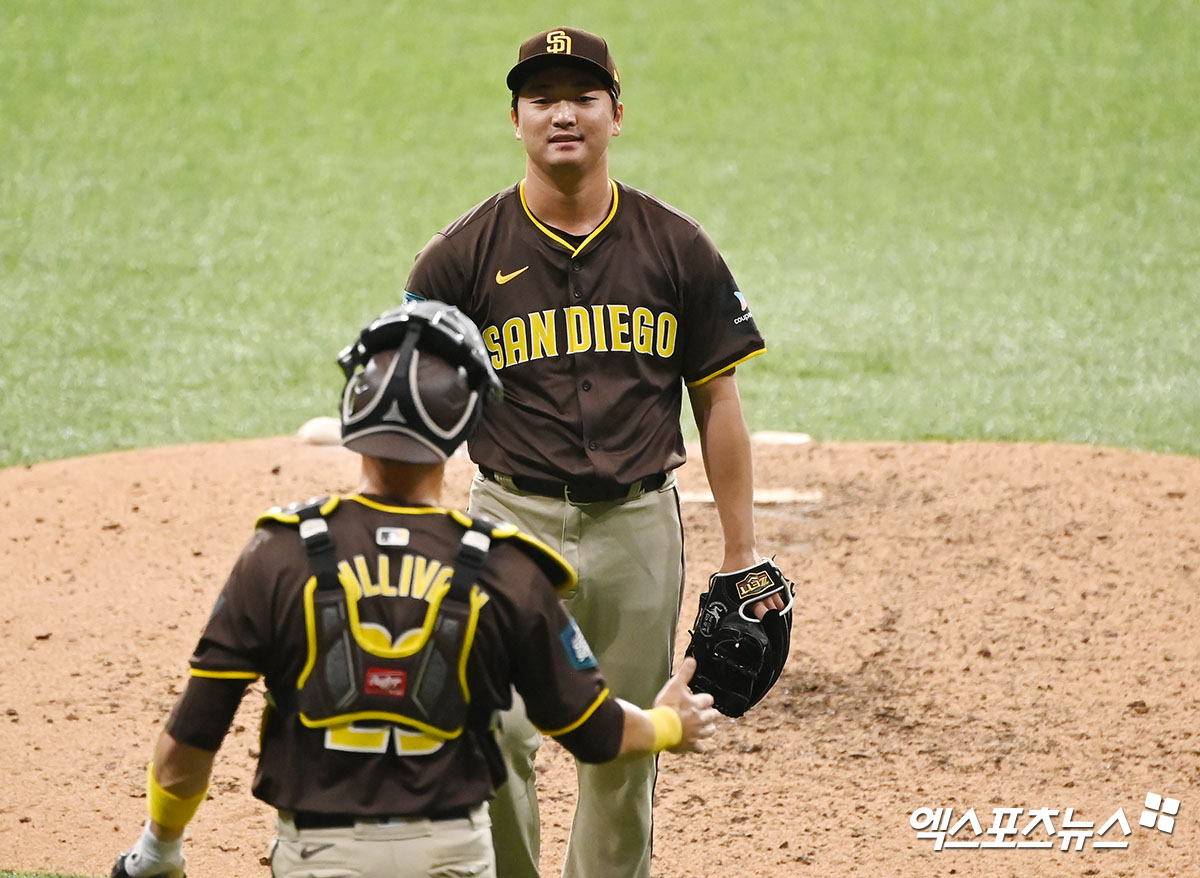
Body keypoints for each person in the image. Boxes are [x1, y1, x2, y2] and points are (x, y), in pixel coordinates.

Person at [109, 301, 718, 878]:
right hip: (452, 856)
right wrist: (668, 723)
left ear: (353, 411)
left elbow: (188, 742)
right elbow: (594, 730)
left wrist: (157, 850)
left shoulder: (278, 555)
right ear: (467, 423)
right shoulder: (507, 568)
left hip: (320, 856)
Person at [401, 26, 783, 878]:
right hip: (507, 523)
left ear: (616, 113)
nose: (562, 114)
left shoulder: (677, 247)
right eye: (543, 99)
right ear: (516, 119)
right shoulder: (458, 258)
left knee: (623, 751)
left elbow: (718, 400)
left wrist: (741, 554)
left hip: (636, 526)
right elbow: (415, 412)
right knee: (491, 737)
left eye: (582, 97)